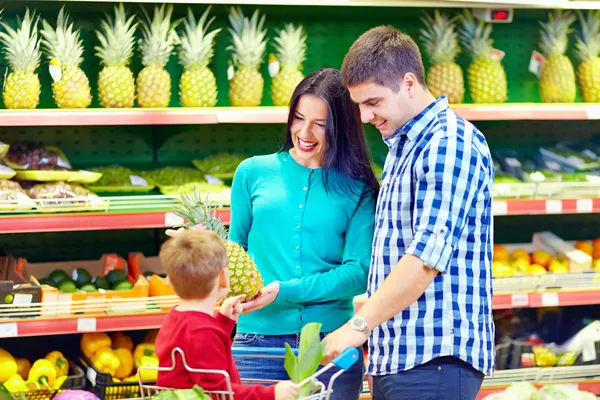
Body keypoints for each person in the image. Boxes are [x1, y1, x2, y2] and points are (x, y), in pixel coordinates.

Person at [322, 26, 495, 400]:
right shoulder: (406, 146)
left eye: (373, 102)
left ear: (409, 83)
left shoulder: (448, 144)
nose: (365, 117)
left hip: (433, 359)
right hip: (402, 357)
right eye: (360, 106)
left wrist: (359, 325)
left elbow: (424, 260)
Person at [228, 67, 379, 400]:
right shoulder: (253, 172)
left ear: (341, 127)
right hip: (256, 342)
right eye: (298, 117)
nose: (305, 132)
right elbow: (233, 247)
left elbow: (359, 273)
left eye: (320, 124)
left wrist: (283, 290)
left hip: (331, 343)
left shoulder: (359, 188)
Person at [154, 229, 299, 400]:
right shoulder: (203, 333)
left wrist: (223, 322)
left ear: (170, 281)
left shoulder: (175, 319)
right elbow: (217, 393)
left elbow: (196, 351)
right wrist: (271, 393)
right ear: (223, 278)